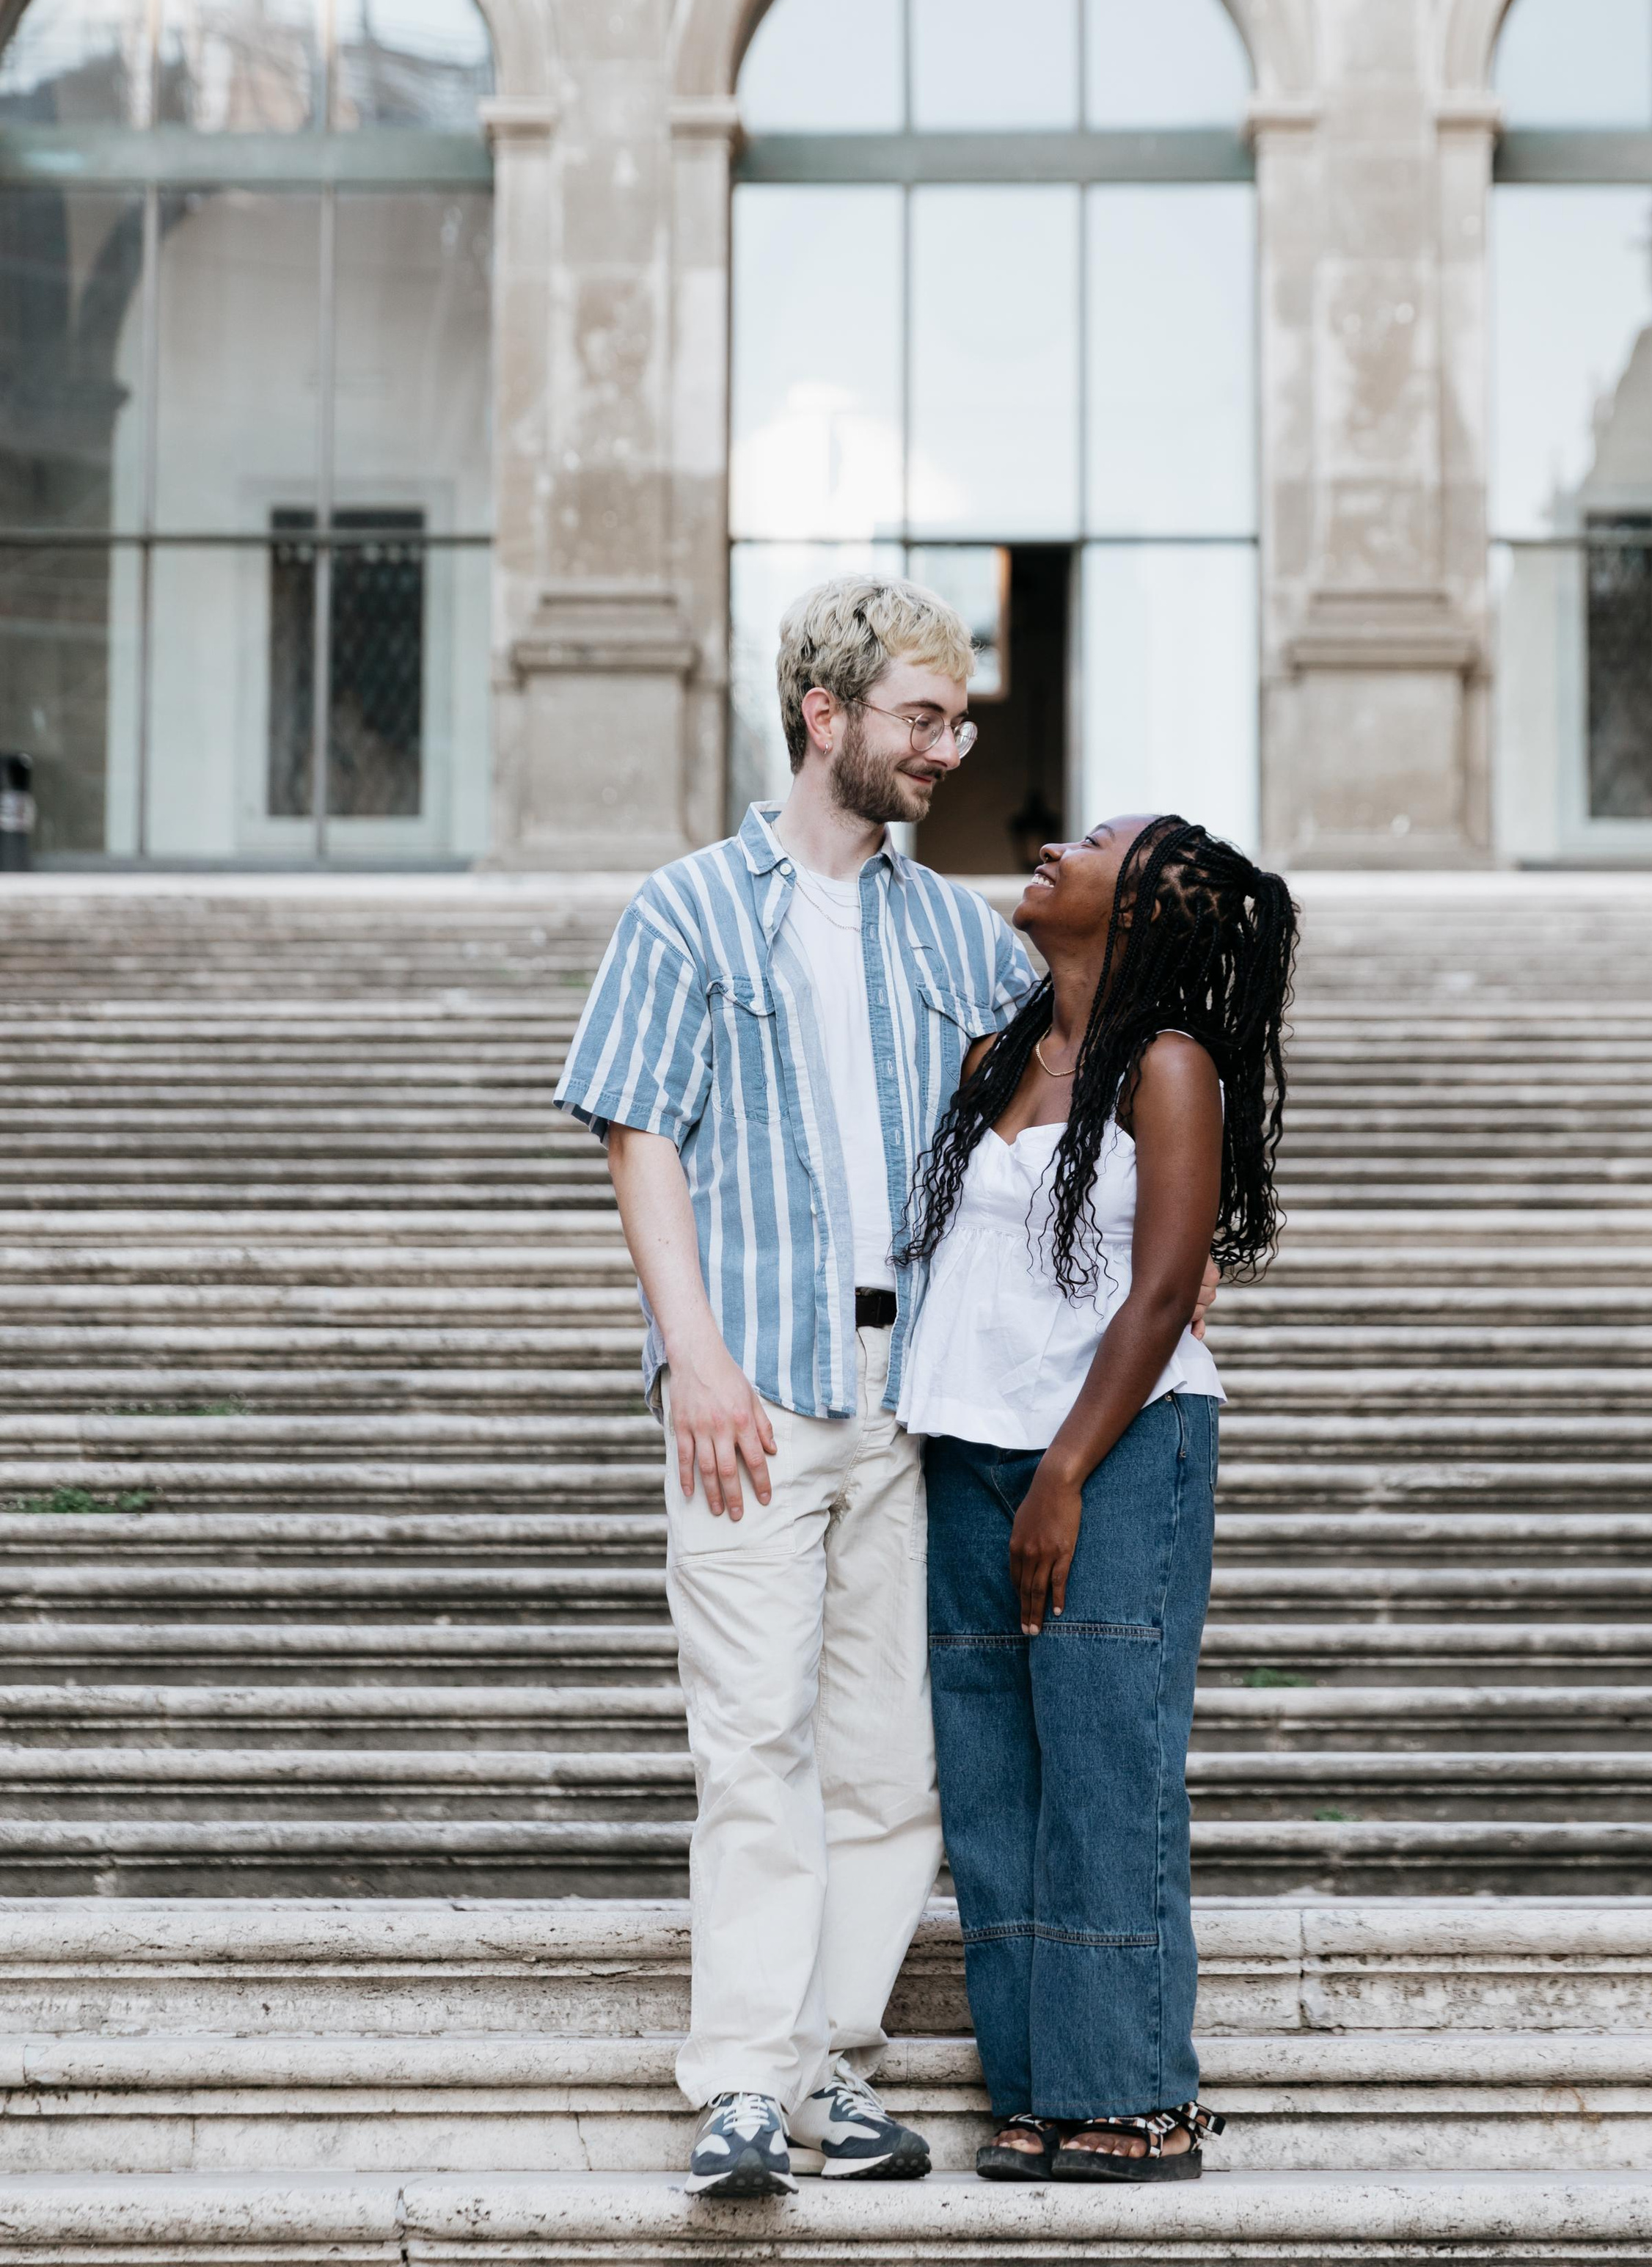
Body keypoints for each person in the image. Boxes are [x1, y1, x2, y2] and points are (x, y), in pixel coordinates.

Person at [554, 575, 1037, 2199]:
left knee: (891, 1767)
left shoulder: (956, 935)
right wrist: (692, 1355)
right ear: (823, 716)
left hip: (913, 1405)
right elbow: (643, 1140)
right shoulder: (686, 911)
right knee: (752, 1745)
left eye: (956, 719)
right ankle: (742, 2087)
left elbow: (1029, 1121)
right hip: (752, 1388)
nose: (947, 747)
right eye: (919, 716)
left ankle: (829, 2070)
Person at [899, 814, 1296, 2183]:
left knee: (1107, 1767)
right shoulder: (999, 1056)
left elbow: (1167, 1289)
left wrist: (1066, 1470)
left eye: (1095, 844)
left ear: (1136, 913)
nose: (1054, 846)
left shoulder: (1171, 1066)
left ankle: (1134, 2094)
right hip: (971, 1444)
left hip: (1118, 1451)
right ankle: (1037, 2091)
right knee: (996, 1779)